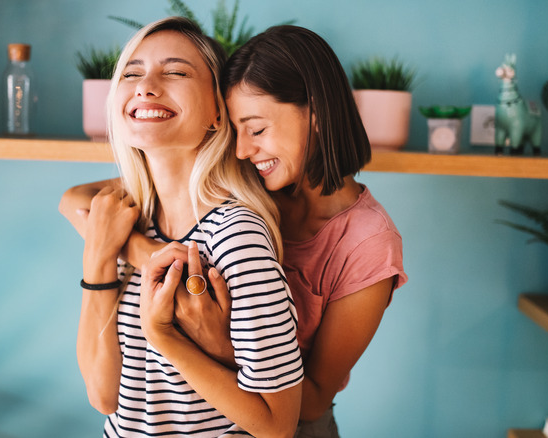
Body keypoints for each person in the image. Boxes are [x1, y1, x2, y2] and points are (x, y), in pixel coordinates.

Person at [63, 24, 407, 438]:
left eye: (257, 129)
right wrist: (143, 252)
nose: (241, 149)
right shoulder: (256, 176)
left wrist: (204, 338)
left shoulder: (366, 242)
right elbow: (75, 200)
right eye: (236, 128)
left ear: (315, 114)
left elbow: (306, 400)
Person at [62, 16, 304, 437]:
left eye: (175, 71)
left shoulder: (236, 236)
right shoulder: (127, 218)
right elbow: (103, 397)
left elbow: (278, 426)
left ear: (217, 110)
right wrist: (107, 257)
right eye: (132, 73)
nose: (146, 85)